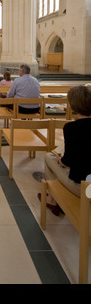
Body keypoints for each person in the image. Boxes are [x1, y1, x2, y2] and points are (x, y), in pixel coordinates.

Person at [40, 85, 91, 215]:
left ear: (72, 105)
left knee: (48, 157)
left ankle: (53, 199)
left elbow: (66, 162)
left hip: (83, 186)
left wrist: (59, 159)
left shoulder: (71, 128)